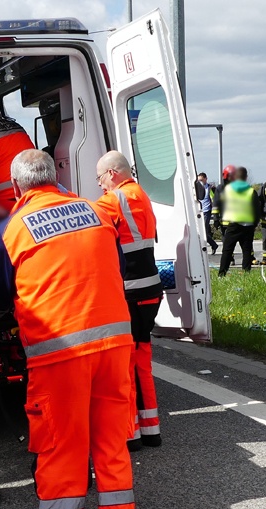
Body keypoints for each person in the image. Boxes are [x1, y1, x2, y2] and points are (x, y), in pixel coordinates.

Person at [0, 149, 140, 509]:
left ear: (16, 187)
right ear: (56, 177)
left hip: (60, 352)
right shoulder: (95, 211)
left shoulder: (13, 228)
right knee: (110, 441)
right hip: (115, 344)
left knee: (62, 445)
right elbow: (115, 268)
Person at [93, 151, 164, 452]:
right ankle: (151, 430)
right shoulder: (141, 195)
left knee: (125, 364)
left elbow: (85, 219)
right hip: (150, 289)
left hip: (131, 291)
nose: (100, 187)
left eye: (100, 180)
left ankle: (130, 434)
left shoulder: (116, 199)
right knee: (142, 360)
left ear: (111, 173)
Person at [217, 167, 262, 277]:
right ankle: (246, 273)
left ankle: (222, 274)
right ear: (246, 177)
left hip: (234, 225)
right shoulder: (251, 191)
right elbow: (257, 209)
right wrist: (254, 224)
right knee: (246, 251)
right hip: (248, 225)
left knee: (227, 250)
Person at [196, 172, 218, 254]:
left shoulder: (210, 188)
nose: (200, 182)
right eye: (199, 180)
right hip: (198, 211)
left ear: (206, 179)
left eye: (201, 180)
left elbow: (214, 199)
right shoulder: (196, 188)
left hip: (206, 211)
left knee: (203, 231)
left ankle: (212, 245)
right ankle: (213, 245)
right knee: (199, 231)